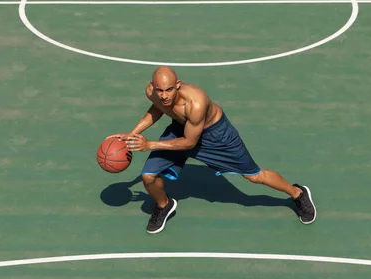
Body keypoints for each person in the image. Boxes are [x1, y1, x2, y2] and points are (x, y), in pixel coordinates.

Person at [108, 66, 316, 234]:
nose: (163, 96)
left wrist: (150, 144)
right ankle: (164, 205)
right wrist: (132, 133)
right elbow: (157, 109)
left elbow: (189, 142)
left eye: (169, 90)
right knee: (148, 176)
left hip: (216, 136)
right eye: (159, 90)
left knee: (255, 176)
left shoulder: (196, 102)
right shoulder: (153, 93)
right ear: (153, 86)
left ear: (177, 85)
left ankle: (298, 193)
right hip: (181, 129)